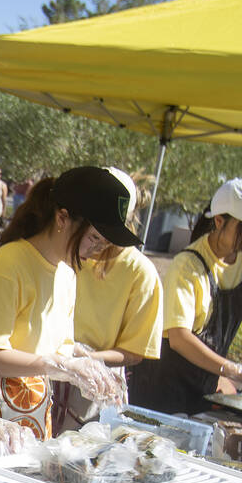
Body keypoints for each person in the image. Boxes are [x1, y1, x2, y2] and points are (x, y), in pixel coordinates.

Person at [0, 167, 135, 440]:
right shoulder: (8, 265)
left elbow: (52, 346)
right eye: (94, 238)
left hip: (32, 413)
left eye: (104, 243)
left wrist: (87, 364)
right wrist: (61, 366)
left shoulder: (67, 274)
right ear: (62, 217)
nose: (97, 250)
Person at [128, 178, 242, 416]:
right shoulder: (187, 265)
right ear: (219, 220)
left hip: (203, 388)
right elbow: (179, 338)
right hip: (161, 390)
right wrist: (236, 371)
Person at [63, 167, 164, 428]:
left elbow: (133, 352)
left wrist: (82, 360)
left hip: (95, 385)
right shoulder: (62, 252)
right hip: (46, 369)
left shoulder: (140, 272)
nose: (94, 244)